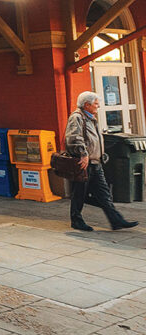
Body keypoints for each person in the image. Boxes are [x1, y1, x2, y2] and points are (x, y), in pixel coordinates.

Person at [65, 91, 138, 232]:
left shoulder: (91, 118)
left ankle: (116, 220)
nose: (98, 106)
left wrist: (100, 154)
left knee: (104, 194)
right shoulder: (77, 117)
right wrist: (83, 154)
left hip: (95, 163)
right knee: (79, 194)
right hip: (84, 163)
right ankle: (76, 220)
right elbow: (74, 137)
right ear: (87, 105)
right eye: (96, 104)